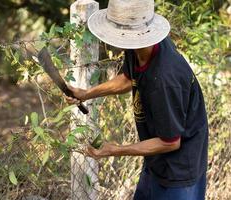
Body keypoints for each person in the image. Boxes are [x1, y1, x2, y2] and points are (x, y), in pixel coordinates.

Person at [65, 0, 209, 200]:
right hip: (155, 160)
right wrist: (86, 93)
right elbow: (128, 77)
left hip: (180, 171)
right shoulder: (140, 45)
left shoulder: (165, 79)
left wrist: (114, 150)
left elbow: (170, 142)